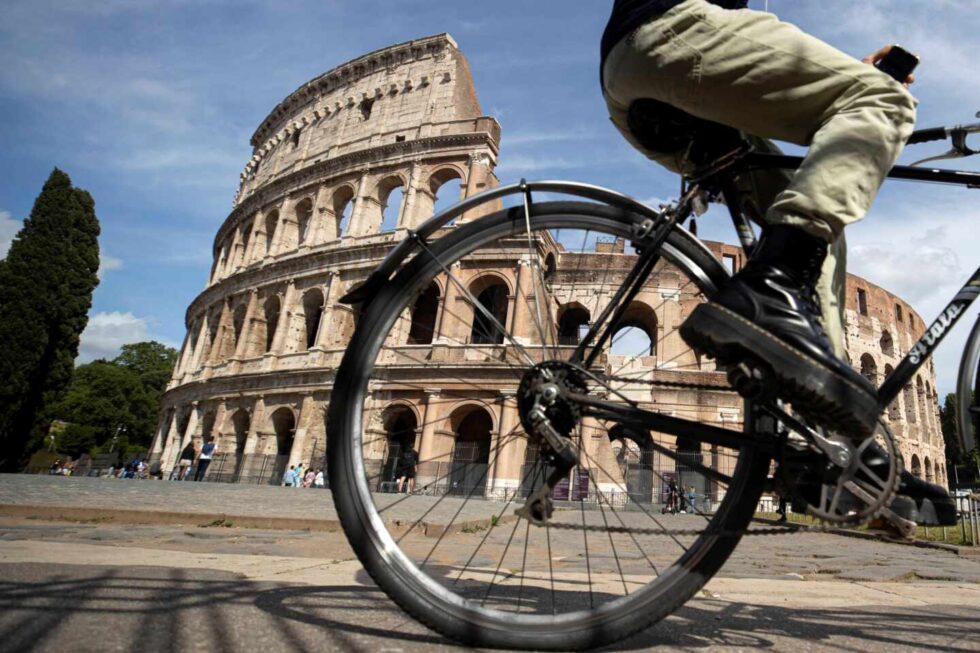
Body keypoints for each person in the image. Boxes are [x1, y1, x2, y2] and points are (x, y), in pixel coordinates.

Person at [600, 0, 954, 526]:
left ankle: (830, 448)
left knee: (820, 235)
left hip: (637, 81)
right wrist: (857, 78)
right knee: (879, 99)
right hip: (670, 35)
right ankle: (770, 288)